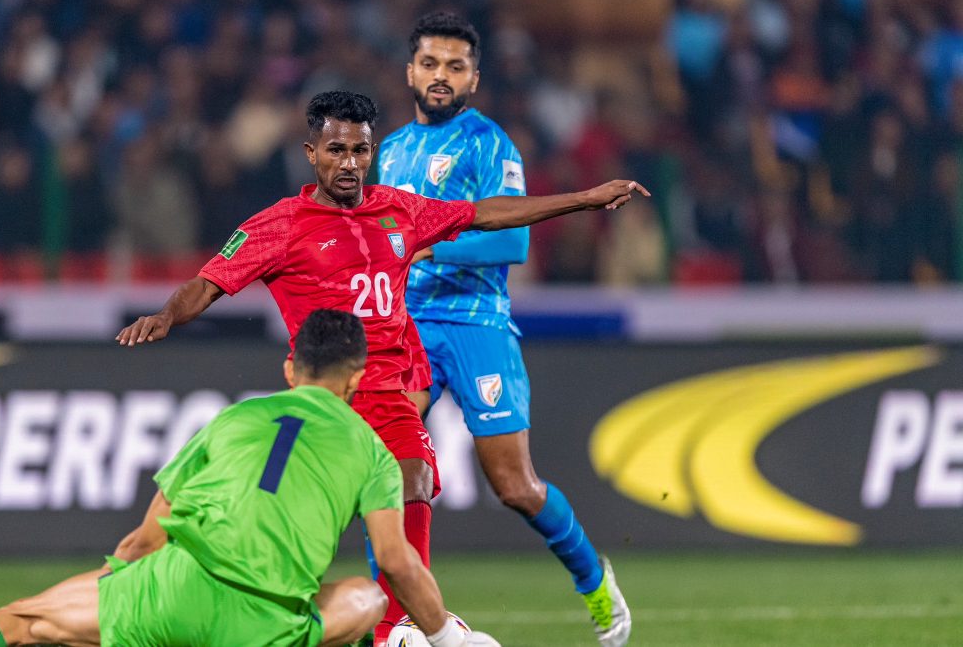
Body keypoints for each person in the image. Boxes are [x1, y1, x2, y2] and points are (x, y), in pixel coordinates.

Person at [117, 90, 646, 643]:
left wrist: (584, 199)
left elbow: (484, 214)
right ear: (311, 152)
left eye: (360, 151)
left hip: (389, 390)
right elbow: (208, 283)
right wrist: (165, 315)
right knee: (287, 527)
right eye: (336, 149)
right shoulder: (280, 224)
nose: (349, 163)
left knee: (414, 476)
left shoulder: (398, 209)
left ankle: (400, 626)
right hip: (324, 395)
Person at [0, 309, 501, 647]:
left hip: (175, 593)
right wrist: (449, 637)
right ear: (356, 379)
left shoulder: (236, 418)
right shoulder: (370, 450)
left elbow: (147, 538)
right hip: (265, 621)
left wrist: (113, 589)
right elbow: (397, 564)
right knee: (365, 598)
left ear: (288, 369)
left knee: (24, 622)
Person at [378, 12, 631, 646]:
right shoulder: (389, 150)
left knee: (514, 486)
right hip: (407, 327)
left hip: (475, 324)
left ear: (474, 79)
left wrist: (428, 250)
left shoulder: (490, 145)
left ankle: (593, 578)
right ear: (410, 71)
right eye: (431, 64)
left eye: (455, 67)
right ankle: (397, 625)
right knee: (392, 470)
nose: (441, 77)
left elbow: (514, 242)